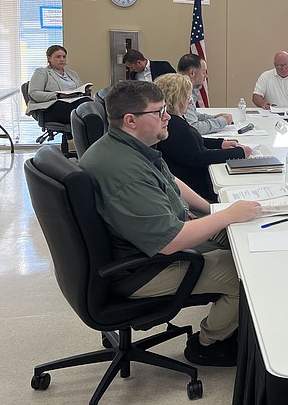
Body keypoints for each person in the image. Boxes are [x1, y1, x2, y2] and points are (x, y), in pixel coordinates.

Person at [79, 81, 261, 367]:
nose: (168, 117)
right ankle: (208, 344)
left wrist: (215, 209)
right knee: (246, 275)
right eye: (160, 111)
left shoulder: (129, 146)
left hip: (153, 242)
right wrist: (227, 216)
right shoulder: (123, 171)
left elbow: (171, 183)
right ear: (131, 120)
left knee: (246, 237)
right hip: (142, 269)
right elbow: (169, 242)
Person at [155, 74, 251, 202]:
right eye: (188, 96)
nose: (190, 101)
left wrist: (220, 144)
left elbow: (190, 141)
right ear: (177, 97)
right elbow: (197, 157)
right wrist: (239, 153)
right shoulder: (173, 124)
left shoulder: (175, 119)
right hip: (197, 188)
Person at [26, 45, 92, 124]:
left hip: (73, 104)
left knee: (89, 104)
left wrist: (85, 92)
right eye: (58, 57)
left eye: (64, 57)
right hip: (51, 107)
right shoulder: (42, 72)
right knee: (83, 111)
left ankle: (90, 134)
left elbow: (80, 91)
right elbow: (34, 93)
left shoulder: (72, 74)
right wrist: (58, 95)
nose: (62, 60)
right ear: (49, 58)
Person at [177, 54, 234, 135]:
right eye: (204, 72)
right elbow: (194, 127)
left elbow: (191, 115)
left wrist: (214, 118)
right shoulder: (181, 92)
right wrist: (221, 121)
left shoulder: (183, 88)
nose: (206, 76)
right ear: (192, 73)